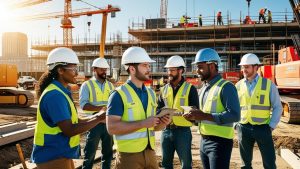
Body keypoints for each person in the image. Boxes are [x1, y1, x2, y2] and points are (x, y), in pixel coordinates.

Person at [31, 47, 106, 169]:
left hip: (60, 154)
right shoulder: (55, 95)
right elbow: (69, 129)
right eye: (73, 69)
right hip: (52, 157)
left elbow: (74, 121)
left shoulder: (61, 91)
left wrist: (98, 117)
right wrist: (98, 119)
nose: (77, 73)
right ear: (60, 70)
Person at [106, 46, 171, 169]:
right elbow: (112, 127)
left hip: (150, 152)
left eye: (148, 65)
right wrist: (143, 123)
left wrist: (163, 123)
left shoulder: (151, 94)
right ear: (132, 69)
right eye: (145, 65)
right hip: (128, 156)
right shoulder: (118, 95)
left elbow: (152, 127)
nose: (149, 69)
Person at [183, 48, 240, 169]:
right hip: (204, 141)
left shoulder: (226, 87)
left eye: (200, 67)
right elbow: (203, 115)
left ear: (212, 66)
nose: (197, 71)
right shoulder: (203, 88)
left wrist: (203, 115)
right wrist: (194, 117)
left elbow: (235, 115)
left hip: (220, 143)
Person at [235, 53, 283, 169]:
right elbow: (234, 107)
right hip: (243, 127)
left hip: (263, 128)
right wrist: (235, 125)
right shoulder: (238, 85)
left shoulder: (268, 85)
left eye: (247, 67)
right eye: (242, 67)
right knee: (245, 165)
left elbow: (277, 106)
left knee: (269, 163)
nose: (243, 70)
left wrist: (271, 126)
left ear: (256, 67)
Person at [158, 55, 199, 169]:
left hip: (183, 132)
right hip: (166, 131)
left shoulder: (190, 89)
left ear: (181, 70)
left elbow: (196, 110)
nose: (169, 73)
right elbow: (158, 108)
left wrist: (190, 114)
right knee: (166, 164)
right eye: (168, 70)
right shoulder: (164, 89)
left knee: (186, 164)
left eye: (172, 70)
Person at [80, 58, 114, 169]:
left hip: (108, 123)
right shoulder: (87, 85)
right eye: (101, 69)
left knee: (108, 153)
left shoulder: (110, 86)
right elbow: (83, 105)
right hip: (93, 124)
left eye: (105, 69)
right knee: (90, 153)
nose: (104, 72)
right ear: (94, 70)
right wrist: (101, 109)